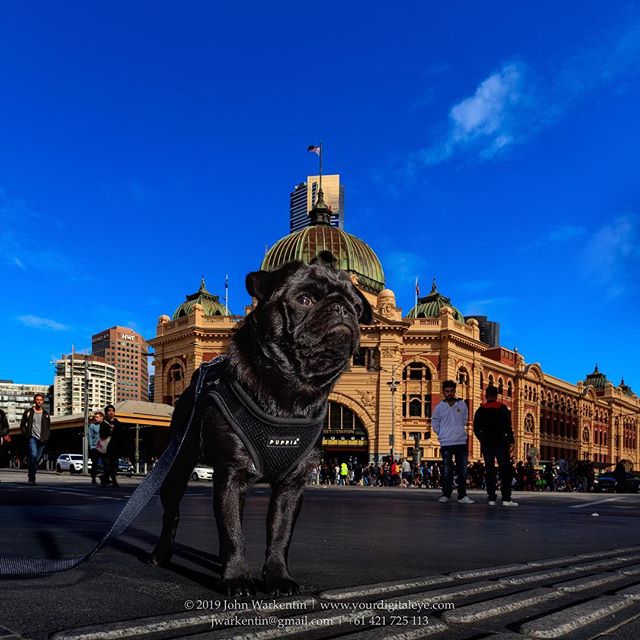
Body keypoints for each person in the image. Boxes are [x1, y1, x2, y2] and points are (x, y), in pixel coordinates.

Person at [473, 385, 518, 507]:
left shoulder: (480, 410)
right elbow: (508, 427)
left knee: (489, 470)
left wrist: (483, 439)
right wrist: (511, 441)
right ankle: (506, 499)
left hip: (487, 444)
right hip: (501, 443)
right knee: (505, 470)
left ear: (486, 396)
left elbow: (476, 429)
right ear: (497, 396)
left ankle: (491, 498)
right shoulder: (502, 408)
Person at [431, 380, 474, 504]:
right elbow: (435, 422)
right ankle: (446, 494)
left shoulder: (462, 405)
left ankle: (462, 496)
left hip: (460, 441)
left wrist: (459, 430)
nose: (449, 393)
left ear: (455, 391)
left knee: (462, 470)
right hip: (446, 443)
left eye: (451, 391)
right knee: (446, 470)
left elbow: (465, 419)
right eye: (447, 391)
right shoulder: (439, 407)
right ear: (443, 392)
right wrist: (441, 434)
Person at [20, 393, 50, 485]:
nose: (39, 401)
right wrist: (26, 434)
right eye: (37, 399)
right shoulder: (28, 412)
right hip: (32, 438)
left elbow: (48, 427)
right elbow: (22, 424)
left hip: (42, 439)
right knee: (33, 456)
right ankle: (31, 478)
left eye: (41, 400)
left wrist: (46, 437)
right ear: (34, 401)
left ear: (43, 401)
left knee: (37, 459)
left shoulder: (46, 414)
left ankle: (32, 474)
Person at [100, 404, 128, 487]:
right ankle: (114, 481)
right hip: (107, 448)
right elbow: (102, 435)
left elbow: (122, 435)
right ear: (106, 413)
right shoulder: (104, 423)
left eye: (112, 410)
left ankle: (104, 478)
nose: (111, 412)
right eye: (109, 411)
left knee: (114, 465)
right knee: (109, 465)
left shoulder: (118, 423)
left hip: (116, 447)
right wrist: (110, 430)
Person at [88, 411, 104, 485]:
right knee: (95, 463)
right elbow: (90, 436)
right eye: (95, 417)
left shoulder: (105, 425)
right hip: (95, 447)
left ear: (101, 417)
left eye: (97, 417)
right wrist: (91, 446)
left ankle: (104, 478)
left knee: (105, 463)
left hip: (104, 447)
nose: (95, 418)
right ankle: (93, 478)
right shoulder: (92, 426)